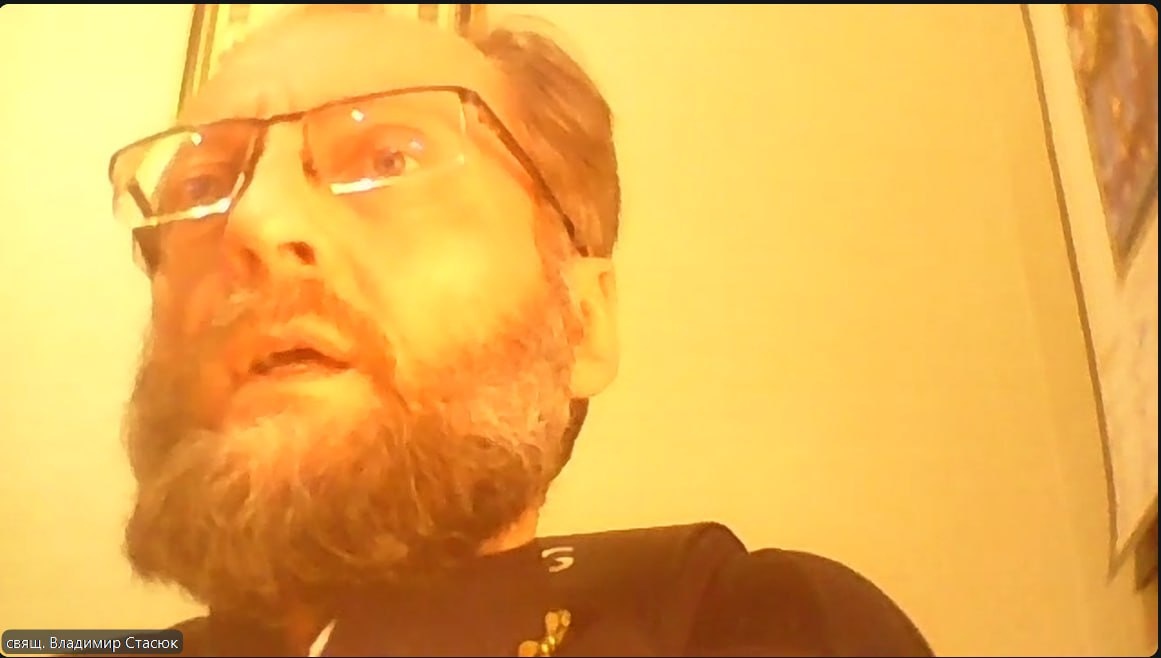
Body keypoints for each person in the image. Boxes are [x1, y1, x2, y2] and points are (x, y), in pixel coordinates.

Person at [106, 5, 934, 656]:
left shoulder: (755, 625)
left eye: (390, 158)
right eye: (203, 184)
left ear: (583, 323)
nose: (255, 222)